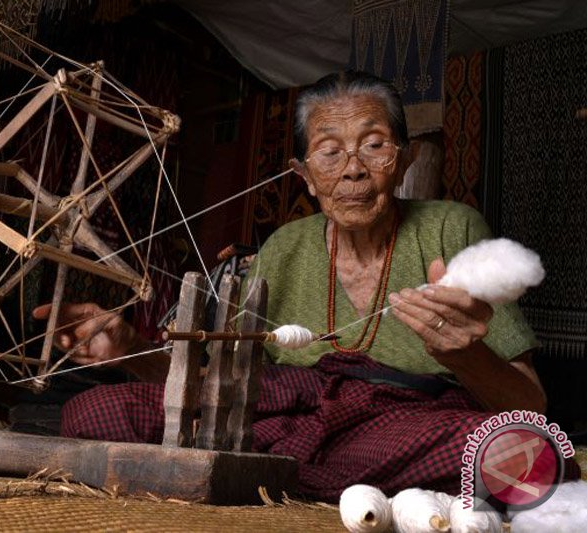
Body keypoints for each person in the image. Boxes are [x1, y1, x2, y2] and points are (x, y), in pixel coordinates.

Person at [33, 71, 579, 500]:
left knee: (521, 446)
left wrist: (465, 357)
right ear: (303, 174)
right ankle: (303, 474)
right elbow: (211, 377)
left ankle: (265, 477)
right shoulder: (287, 246)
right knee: (92, 412)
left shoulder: (449, 228)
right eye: (329, 151)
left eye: (374, 145)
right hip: (285, 411)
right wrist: (129, 351)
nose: (353, 171)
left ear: (405, 160)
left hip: (400, 419)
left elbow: (530, 402)